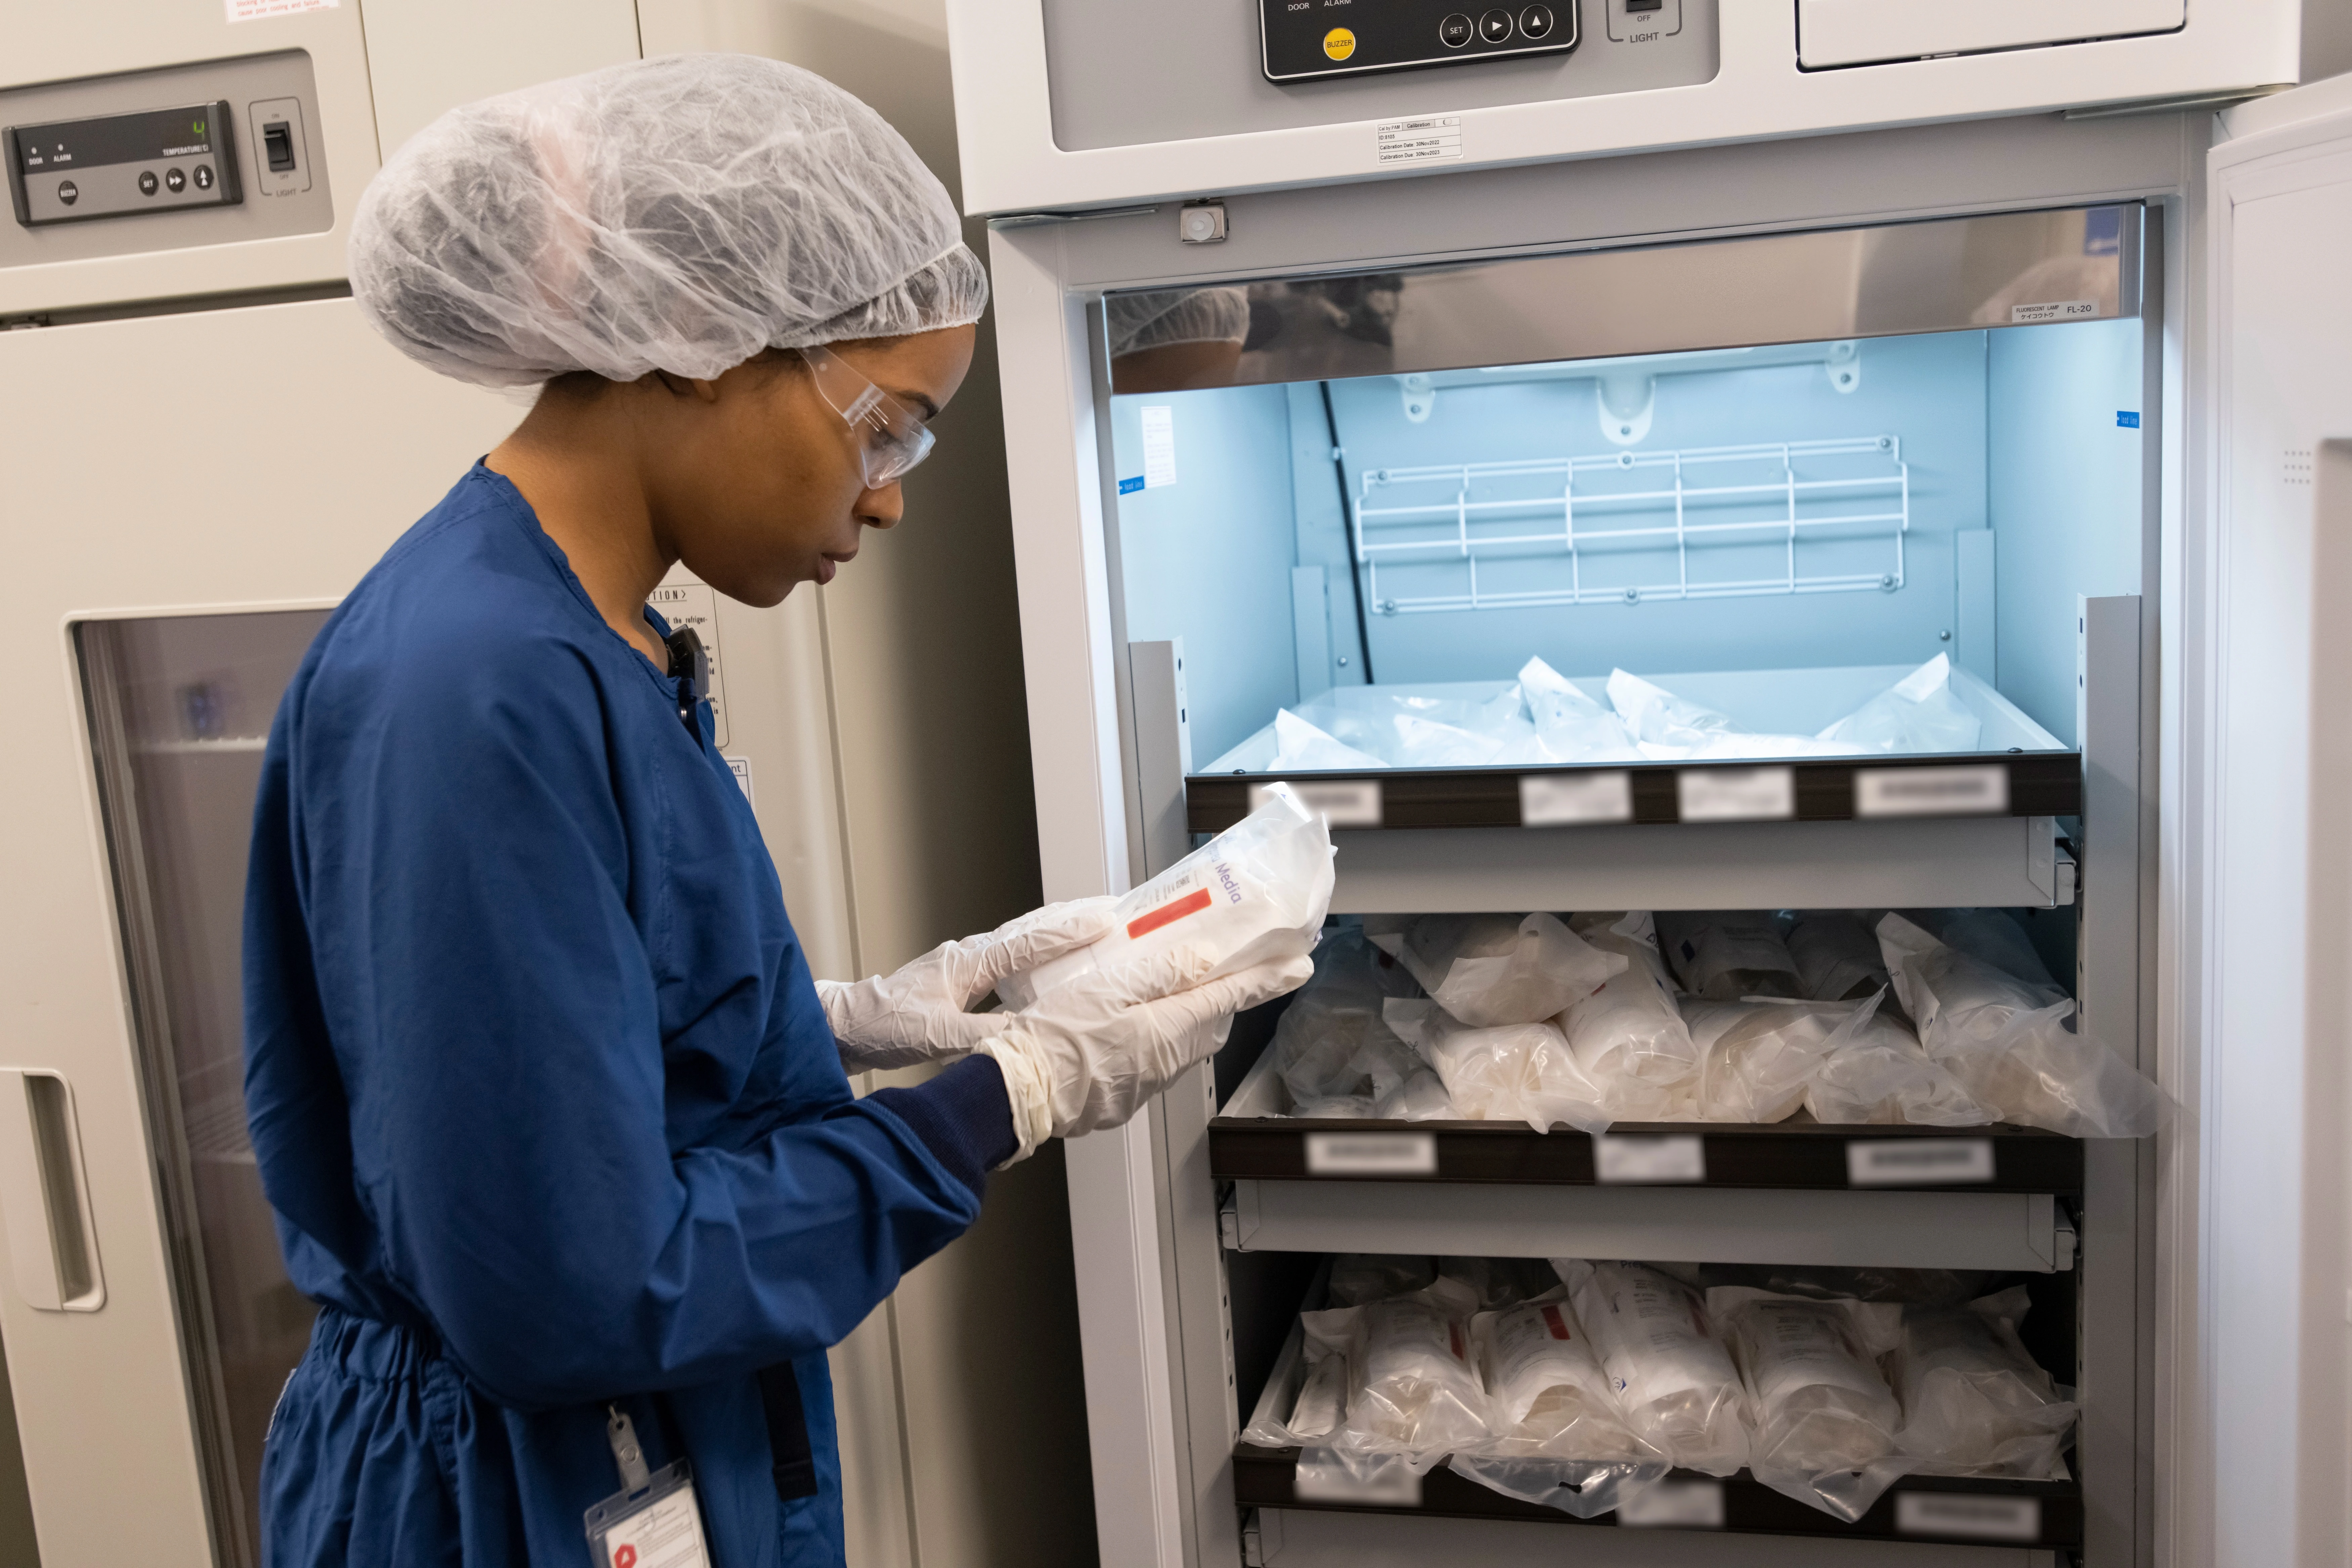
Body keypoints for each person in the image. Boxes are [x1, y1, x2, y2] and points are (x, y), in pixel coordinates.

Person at [241, 54, 1311, 1568]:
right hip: (504, 1497)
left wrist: (856, 1018)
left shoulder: (593, 639)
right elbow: (578, 1286)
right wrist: (1002, 1096)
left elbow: (524, 1042)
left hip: (626, 1451)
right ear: (697, 337)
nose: (887, 498)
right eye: (884, 428)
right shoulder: (475, 685)